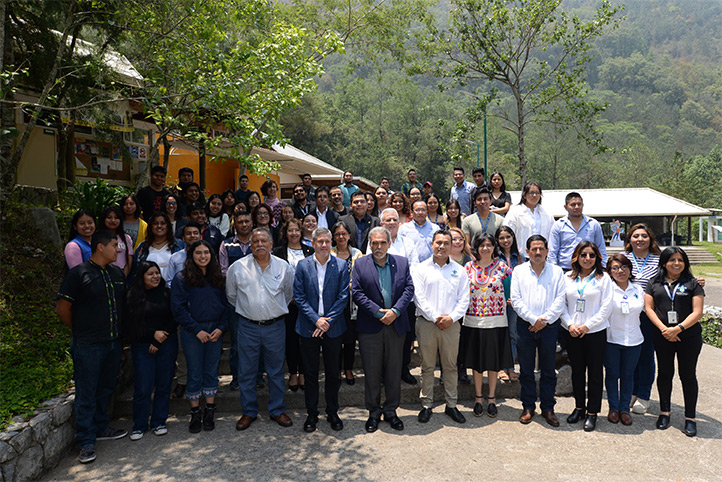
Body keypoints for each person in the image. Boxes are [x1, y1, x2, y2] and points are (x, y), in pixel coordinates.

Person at [56, 230, 128, 464]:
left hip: (113, 343)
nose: (118, 250)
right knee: (86, 392)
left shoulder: (117, 273)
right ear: (100, 247)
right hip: (87, 345)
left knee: (106, 388)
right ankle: (86, 441)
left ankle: (101, 427)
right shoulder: (78, 274)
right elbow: (62, 309)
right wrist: (80, 331)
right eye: (114, 245)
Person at [227, 228, 295, 431]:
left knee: (275, 371)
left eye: (264, 240)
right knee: (246, 372)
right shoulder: (237, 268)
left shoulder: (284, 267)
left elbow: (288, 294)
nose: (259, 244)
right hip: (247, 326)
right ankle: (248, 411)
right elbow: (232, 296)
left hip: (275, 327)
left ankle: (277, 410)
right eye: (255, 241)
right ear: (250, 245)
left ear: (272, 244)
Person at [352, 227, 415, 432]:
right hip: (371, 326)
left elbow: (408, 289)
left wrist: (395, 311)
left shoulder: (402, 262)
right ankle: (373, 412)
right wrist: (379, 313)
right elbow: (358, 293)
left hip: (396, 325)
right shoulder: (360, 263)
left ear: (389, 243)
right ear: (370, 244)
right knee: (371, 371)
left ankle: (390, 411)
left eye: (382, 243)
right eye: (374, 243)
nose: (378, 247)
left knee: (394, 370)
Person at [293, 228, 349, 433]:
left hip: (333, 329)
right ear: (313, 243)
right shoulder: (302, 265)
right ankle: (311, 413)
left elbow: (343, 297)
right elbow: (298, 297)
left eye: (327, 241)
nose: (324, 245)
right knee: (310, 373)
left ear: (331, 243)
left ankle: (332, 412)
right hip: (308, 327)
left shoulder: (341, 265)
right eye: (320, 242)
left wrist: (327, 321)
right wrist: (317, 320)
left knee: (333, 373)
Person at [645, 247, 704, 437]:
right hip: (662, 336)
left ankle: (690, 418)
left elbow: (697, 312)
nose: (676, 263)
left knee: (687, 375)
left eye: (680, 260)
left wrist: (678, 329)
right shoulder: (654, 282)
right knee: (664, 373)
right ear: (664, 263)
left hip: (689, 336)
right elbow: (649, 308)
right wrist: (664, 330)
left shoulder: (692, 283)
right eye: (672, 260)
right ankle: (664, 413)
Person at [171, 240, 230, 433]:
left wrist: (221, 328)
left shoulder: (219, 278)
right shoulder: (182, 278)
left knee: (211, 371)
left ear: (212, 255)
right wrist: (196, 330)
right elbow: (178, 309)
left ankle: (210, 411)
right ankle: (195, 412)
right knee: (194, 372)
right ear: (191, 255)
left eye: (206, 253)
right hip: (192, 332)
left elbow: (228, 305)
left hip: (215, 331)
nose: (202, 256)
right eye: (198, 253)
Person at [412, 230, 471, 424]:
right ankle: (427, 404)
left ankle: (451, 405)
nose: (442, 246)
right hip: (427, 323)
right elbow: (418, 297)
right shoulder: (420, 269)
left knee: (450, 366)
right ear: (431, 244)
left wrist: (451, 318)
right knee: (427, 366)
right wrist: (436, 317)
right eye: (438, 243)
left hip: (451, 325)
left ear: (451, 245)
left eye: (446, 243)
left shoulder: (459, 270)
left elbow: (464, 299)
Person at [510, 234, 566, 427]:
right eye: (533, 249)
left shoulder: (557, 272)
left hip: (550, 327)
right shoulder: (518, 271)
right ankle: (528, 406)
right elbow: (515, 300)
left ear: (547, 251)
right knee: (526, 369)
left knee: (549, 369)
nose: (538, 252)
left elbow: (560, 300)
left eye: (541, 248)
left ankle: (548, 408)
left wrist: (544, 320)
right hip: (525, 326)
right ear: (527, 251)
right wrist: (534, 319)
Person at [560, 241, 613, 432]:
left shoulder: (603, 278)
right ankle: (579, 407)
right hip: (572, 331)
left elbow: (606, 307)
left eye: (591, 255)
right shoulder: (567, 277)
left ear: (597, 258)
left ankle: (592, 412)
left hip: (595, 332)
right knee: (577, 371)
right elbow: (562, 304)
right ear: (576, 257)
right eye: (583, 255)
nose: (587, 259)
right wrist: (571, 325)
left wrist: (587, 326)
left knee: (595, 373)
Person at [125, 261, 178, 441]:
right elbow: (131, 324)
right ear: (141, 277)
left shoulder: (167, 293)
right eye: (150, 274)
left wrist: (160, 339)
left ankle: (159, 421)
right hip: (142, 346)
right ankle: (139, 425)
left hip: (166, 343)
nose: (155, 276)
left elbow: (173, 318)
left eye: (157, 273)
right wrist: (151, 336)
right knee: (143, 387)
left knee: (164, 384)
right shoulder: (132, 296)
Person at [463, 234, 514, 418]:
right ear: (476, 247)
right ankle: (478, 398)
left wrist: (510, 299)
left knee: (493, 362)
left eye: (489, 245)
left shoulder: (503, 267)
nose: (485, 248)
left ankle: (491, 398)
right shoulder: (468, 267)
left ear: (494, 247)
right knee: (477, 363)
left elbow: (513, 288)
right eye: (481, 245)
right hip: (473, 320)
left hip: (496, 321)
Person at [622, 223, 661, 415]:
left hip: (648, 315)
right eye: (635, 236)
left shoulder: (659, 260)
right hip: (627, 315)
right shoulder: (624, 259)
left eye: (644, 236)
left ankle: (644, 395)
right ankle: (631, 391)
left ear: (650, 239)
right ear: (629, 240)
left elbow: (673, 277)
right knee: (630, 355)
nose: (639, 239)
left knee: (645, 355)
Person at [273, 218, 313, 392]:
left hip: (306, 303)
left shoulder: (310, 250)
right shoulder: (277, 252)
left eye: (297, 230)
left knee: (305, 339)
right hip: (286, 303)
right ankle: (293, 374)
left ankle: (304, 373)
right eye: (290, 230)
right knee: (290, 340)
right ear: (285, 232)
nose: (294, 233)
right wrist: (289, 296)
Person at [604, 254, 644, 427]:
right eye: (615, 268)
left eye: (623, 267)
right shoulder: (606, 289)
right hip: (611, 339)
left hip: (634, 339)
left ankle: (624, 409)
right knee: (612, 375)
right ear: (609, 271)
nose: (620, 271)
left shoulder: (638, 289)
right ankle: (613, 407)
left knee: (628, 375)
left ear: (629, 269)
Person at [330, 222, 364, 385]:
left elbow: (361, 277)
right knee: (336, 337)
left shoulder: (357, 254)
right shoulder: (329, 253)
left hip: (352, 303)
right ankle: (336, 368)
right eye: (337, 234)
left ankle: (348, 369)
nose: (341, 237)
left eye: (344, 234)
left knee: (350, 338)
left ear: (349, 236)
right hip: (334, 302)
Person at [549, 192, 608, 270]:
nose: (576, 207)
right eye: (573, 205)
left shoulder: (593, 224)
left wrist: (603, 268)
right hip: (564, 270)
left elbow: (601, 248)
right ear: (565, 207)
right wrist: (554, 271)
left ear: (583, 205)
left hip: (589, 270)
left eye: (579, 204)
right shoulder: (558, 225)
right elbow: (552, 252)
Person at [495, 226, 522, 382]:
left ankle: (510, 367)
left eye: (508, 237)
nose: (505, 240)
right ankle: (500, 367)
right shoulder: (494, 258)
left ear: (513, 237)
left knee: (512, 335)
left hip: (515, 303)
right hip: (498, 302)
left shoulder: (520, 258)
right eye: (502, 238)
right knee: (499, 335)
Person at [503, 181, 554, 258]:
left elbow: (552, 236)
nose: (534, 195)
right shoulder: (515, 212)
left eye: (537, 193)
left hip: (542, 257)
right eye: (531, 192)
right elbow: (506, 234)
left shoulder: (547, 213)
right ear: (524, 195)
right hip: (521, 256)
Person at [133, 212, 185, 281]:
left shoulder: (179, 245)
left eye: (163, 223)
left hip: (173, 289)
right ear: (151, 226)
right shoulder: (142, 247)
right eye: (155, 223)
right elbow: (135, 271)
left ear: (168, 226)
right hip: (148, 290)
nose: (159, 226)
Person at [398, 200, 439, 265]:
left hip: (431, 266)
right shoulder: (403, 229)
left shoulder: (435, 229)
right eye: (417, 210)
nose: (420, 213)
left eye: (423, 210)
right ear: (411, 212)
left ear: (427, 212)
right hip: (411, 267)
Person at [166, 222, 203, 287]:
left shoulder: (207, 256)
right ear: (183, 238)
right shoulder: (175, 257)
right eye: (188, 233)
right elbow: (169, 282)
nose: (192, 236)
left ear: (201, 237)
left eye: (195, 233)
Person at [100, 206, 133, 278]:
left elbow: (129, 260)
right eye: (109, 217)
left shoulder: (126, 238)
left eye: (116, 218)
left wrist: (123, 277)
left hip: (122, 273)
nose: (113, 220)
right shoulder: (99, 237)